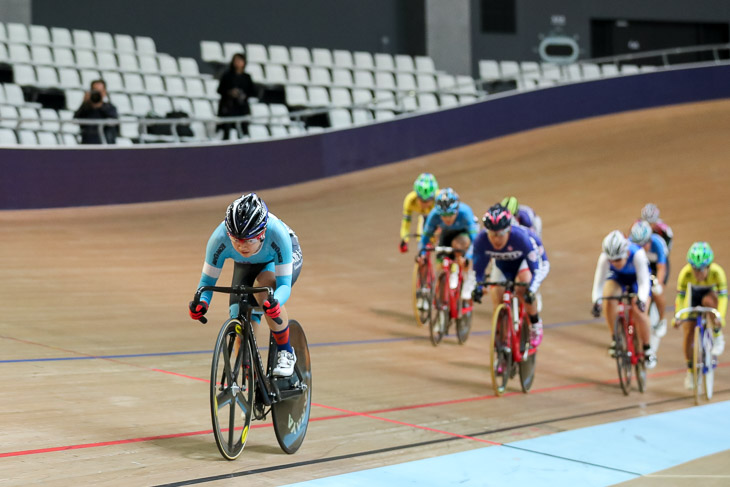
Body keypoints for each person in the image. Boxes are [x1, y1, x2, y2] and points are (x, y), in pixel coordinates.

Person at [189, 193, 303, 377]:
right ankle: (252, 381)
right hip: (246, 264)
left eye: (249, 240)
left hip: (275, 258)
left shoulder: (278, 234)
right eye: (236, 240)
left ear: (262, 233)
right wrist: (202, 303)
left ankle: (286, 351)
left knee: (264, 292)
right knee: (238, 317)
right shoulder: (218, 239)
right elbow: (207, 283)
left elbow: (284, 286)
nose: (242, 246)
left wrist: (275, 303)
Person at [472, 204, 548, 347]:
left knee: (522, 289)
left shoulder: (522, 238)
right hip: (502, 266)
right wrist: (478, 285)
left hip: (522, 265)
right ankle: (501, 336)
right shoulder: (481, 241)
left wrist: (531, 290)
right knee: (497, 296)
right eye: (492, 234)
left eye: (500, 234)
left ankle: (535, 323)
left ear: (508, 230)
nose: (496, 239)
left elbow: (538, 269)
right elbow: (478, 269)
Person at [590, 230, 655, 367]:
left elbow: (644, 282)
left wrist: (641, 300)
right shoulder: (604, 258)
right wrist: (597, 302)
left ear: (626, 253)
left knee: (639, 312)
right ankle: (616, 339)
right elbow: (599, 284)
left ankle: (648, 348)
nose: (615, 263)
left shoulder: (637, 254)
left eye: (618, 260)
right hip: (618, 278)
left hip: (637, 279)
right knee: (609, 299)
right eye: (612, 260)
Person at [674, 242, 727, 389]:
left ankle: (717, 336)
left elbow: (723, 297)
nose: (697, 273)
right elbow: (681, 298)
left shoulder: (717, 273)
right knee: (688, 332)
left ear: (709, 266)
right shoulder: (685, 273)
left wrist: (719, 317)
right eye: (694, 269)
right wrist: (678, 316)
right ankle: (691, 371)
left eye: (701, 270)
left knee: (708, 301)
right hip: (693, 297)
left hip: (710, 296)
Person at [417, 188, 478, 302]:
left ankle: (468, 278)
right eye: (443, 215)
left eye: (450, 214)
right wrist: (422, 254)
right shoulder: (433, 215)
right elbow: (424, 240)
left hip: (463, 234)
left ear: (457, 210)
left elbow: (475, 241)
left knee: (458, 247)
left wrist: (468, 258)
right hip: (446, 234)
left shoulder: (465, 213)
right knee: (440, 266)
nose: (447, 218)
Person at [629, 220, 669, 338]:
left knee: (657, 291)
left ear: (649, 240)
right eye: (638, 245)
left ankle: (662, 320)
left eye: (644, 244)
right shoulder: (630, 244)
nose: (641, 247)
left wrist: (658, 283)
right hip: (640, 266)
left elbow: (661, 268)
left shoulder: (658, 244)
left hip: (656, 267)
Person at [217, 53, 258, 139]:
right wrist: (230, 92)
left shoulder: (247, 77)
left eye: (240, 60)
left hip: (242, 108)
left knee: (243, 130)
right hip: (229, 107)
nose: (238, 63)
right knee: (227, 130)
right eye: (236, 60)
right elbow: (220, 90)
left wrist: (243, 95)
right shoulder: (227, 76)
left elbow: (253, 92)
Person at [399, 173, 439, 253]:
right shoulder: (410, 200)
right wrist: (405, 240)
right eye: (421, 200)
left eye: (427, 201)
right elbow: (406, 223)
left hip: (438, 220)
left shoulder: (439, 199)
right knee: (421, 248)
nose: (424, 204)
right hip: (424, 218)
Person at [73, 79, 118, 144]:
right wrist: (84, 102)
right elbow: (75, 119)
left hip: (105, 145)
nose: (97, 94)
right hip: (87, 145)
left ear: (104, 92)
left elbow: (113, 121)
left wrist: (100, 106)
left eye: (99, 91)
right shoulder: (86, 108)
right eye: (95, 91)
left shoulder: (110, 108)